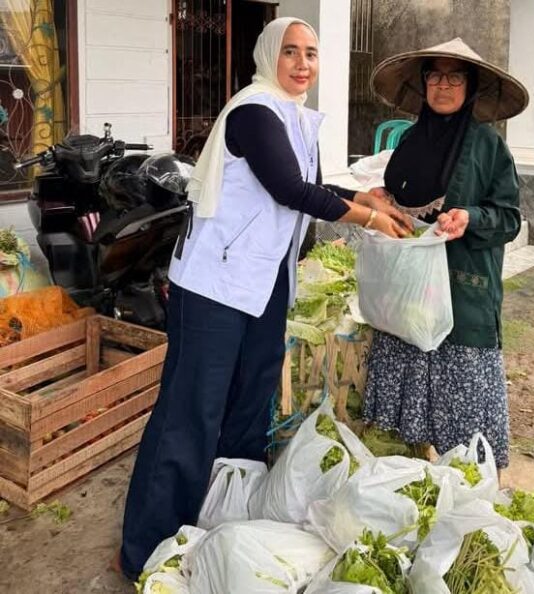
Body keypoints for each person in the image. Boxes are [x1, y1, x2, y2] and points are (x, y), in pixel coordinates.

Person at [117, 16, 410, 580]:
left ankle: (222, 521)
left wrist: (367, 198)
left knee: (249, 403)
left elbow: (310, 187)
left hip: (265, 282)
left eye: (312, 53)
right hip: (216, 284)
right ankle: (144, 549)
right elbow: (288, 188)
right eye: (290, 52)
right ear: (268, 55)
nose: (302, 63)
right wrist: (368, 217)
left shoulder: (295, 116)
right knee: (192, 411)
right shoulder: (254, 110)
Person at [362, 38, 529, 470]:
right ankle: (412, 478)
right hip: (408, 295)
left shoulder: (489, 146)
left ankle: (468, 491)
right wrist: (384, 199)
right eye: (434, 75)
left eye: (455, 77)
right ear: (423, 83)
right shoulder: (410, 140)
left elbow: (509, 218)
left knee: (465, 432)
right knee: (405, 425)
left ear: (470, 86)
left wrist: (470, 218)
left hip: (462, 294)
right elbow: (400, 198)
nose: (443, 85)